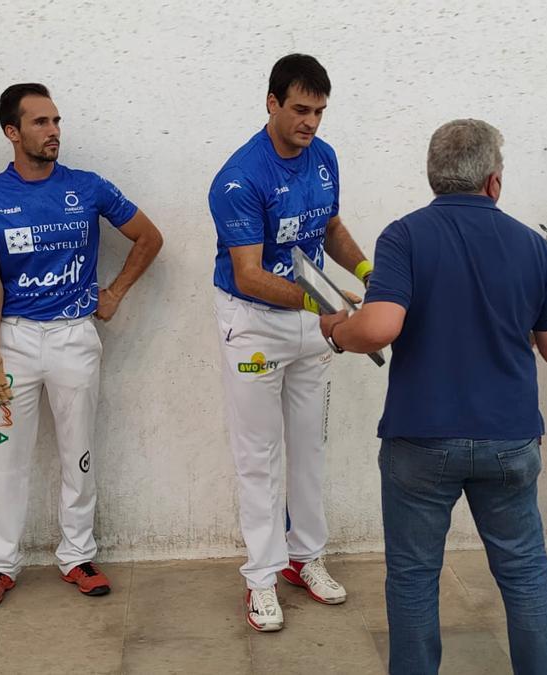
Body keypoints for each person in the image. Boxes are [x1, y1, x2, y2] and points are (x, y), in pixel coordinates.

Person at [321, 119, 547, 674]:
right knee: (525, 571)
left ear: (434, 176)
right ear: (494, 181)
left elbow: (380, 326)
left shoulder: (405, 236)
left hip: (422, 437)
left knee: (413, 576)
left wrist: (339, 330)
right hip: (508, 438)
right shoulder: (533, 247)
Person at [0, 83, 163, 608]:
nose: (53, 132)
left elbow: (150, 237)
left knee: (79, 449)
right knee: (5, 455)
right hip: (15, 338)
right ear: (12, 131)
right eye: (40, 123)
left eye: (56, 121)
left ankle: (77, 555)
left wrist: (115, 292)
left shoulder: (89, 187)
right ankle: (0, 565)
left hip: (76, 336)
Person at [207, 53, 373, 632]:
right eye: (300, 109)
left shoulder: (323, 157)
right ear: (272, 103)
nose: (311, 122)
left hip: (312, 314)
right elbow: (250, 274)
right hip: (254, 323)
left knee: (309, 447)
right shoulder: (237, 178)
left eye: (320, 111)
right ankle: (261, 576)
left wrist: (366, 273)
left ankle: (305, 558)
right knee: (259, 456)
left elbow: (330, 228)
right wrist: (325, 304)